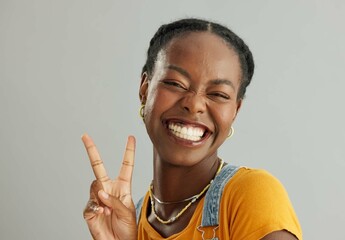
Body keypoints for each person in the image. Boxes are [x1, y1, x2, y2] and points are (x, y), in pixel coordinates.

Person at [82, 18, 302, 240]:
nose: (194, 104)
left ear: (235, 111)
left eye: (218, 94)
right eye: (176, 84)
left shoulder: (251, 194)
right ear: (145, 89)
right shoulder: (129, 221)